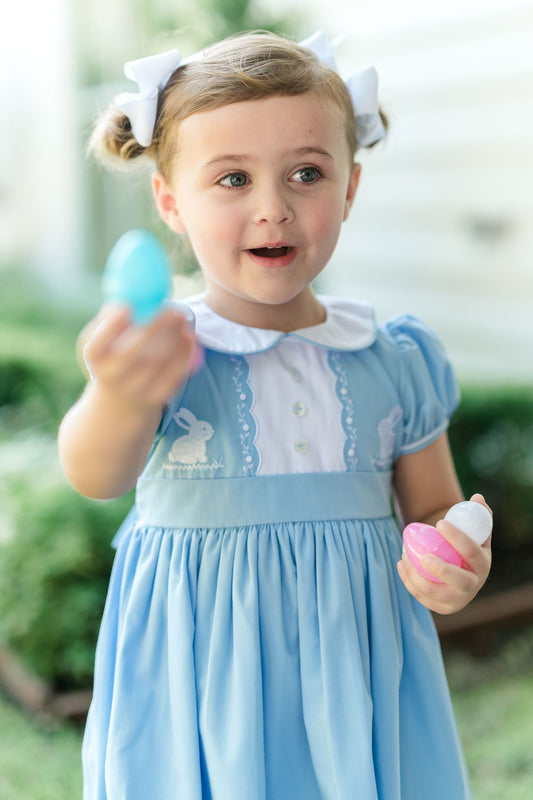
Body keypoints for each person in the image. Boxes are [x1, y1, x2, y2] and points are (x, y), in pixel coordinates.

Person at [58, 30, 492, 800]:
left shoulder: (390, 358)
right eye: (230, 179)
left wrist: (455, 556)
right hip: (200, 678)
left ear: (349, 187)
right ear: (170, 202)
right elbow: (95, 474)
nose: (273, 209)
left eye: (305, 173)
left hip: (356, 668)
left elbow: (431, 506)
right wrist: (118, 395)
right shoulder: (167, 351)